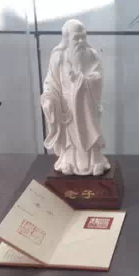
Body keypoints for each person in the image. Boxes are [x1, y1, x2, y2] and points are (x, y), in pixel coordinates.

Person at [41, 19, 110, 176]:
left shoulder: (92, 55)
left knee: (90, 132)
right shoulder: (58, 57)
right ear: (66, 38)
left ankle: (95, 161)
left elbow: (98, 77)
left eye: (83, 37)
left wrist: (80, 79)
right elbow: (51, 81)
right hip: (67, 106)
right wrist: (49, 99)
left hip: (87, 104)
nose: (80, 41)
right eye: (76, 38)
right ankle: (68, 161)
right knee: (69, 137)